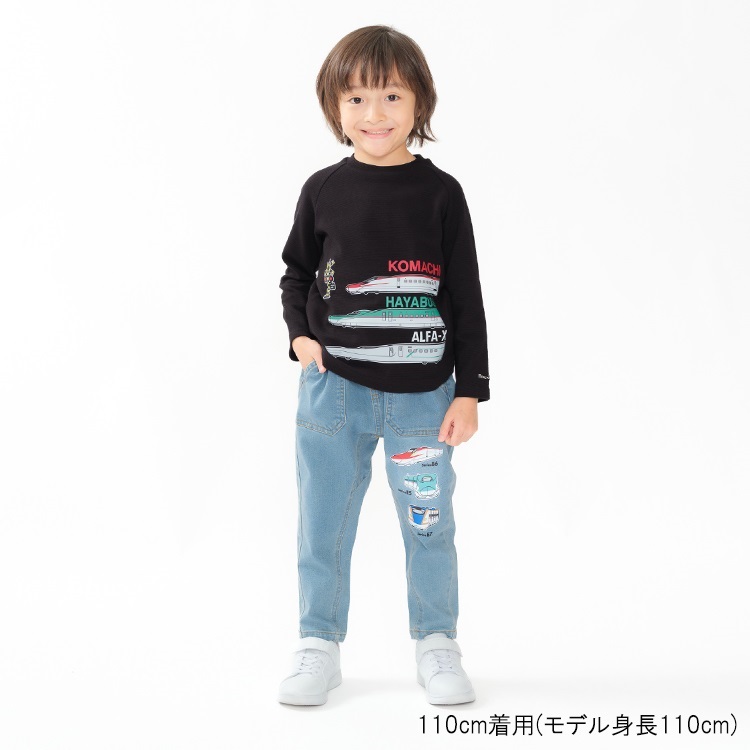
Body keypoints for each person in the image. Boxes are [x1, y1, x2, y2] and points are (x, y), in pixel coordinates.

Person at [277, 25, 490, 706]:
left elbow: (466, 295)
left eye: (392, 95)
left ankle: (437, 642)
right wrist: (300, 339)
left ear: (420, 100)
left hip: (423, 400)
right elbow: (296, 274)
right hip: (332, 393)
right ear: (335, 108)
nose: (375, 114)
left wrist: (470, 391)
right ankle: (318, 644)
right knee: (322, 525)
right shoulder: (321, 190)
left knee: (428, 523)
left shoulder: (442, 193)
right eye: (357, 98)